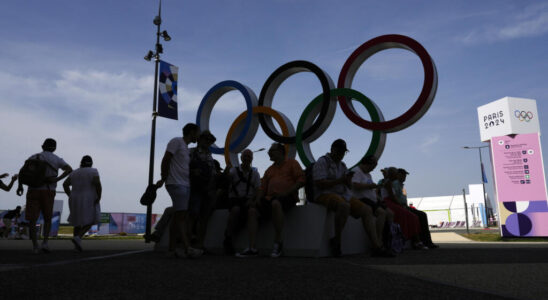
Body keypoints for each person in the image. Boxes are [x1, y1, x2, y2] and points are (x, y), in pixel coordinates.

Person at [313, 140, 391, 257]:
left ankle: (376, 246)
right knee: (344, 205)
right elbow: (319, 183)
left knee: (367, 210)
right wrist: (341, 181)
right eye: (340, 151)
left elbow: (349, 185)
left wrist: (348, 181)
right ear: (332, 149)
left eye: (343, 152)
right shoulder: (322, 161)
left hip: (342, 195)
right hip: (325, 193)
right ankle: (337, 241)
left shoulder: (343, 165)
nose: (342, 154)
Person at [236, 143, 304, 258]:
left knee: (276, 203)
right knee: (252, 211)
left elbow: (301, 180)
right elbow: (262, 188)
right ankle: (252, 248)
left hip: (287, 197)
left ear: (281, 152)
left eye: (271, 151)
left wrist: (287, 192)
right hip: (270, 198)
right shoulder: (269, 170)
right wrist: (257, 200)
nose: (269, 153)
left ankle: (278, 243)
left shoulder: (292, 163)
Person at [16, 138, 72, 254]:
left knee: (32, 219)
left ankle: (35, 246)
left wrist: (20, 186)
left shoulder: (33, 157)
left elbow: (22, 173)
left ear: (42, 146)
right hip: (48, 190)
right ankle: (45, 243)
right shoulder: (56, 159)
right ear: (54, 148)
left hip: (33, 190)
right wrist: (57, 179)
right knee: (47, 218)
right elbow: (69, 169)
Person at [156, 123, 202, 258]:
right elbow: (166, 159)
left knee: (177, 217)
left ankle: (171, 249)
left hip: (184, 184)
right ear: (192, 132)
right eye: (197, 133)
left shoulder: (186, 149)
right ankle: (188, 248)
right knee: (181, 216)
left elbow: (179, 164)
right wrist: (163, 177)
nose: (198, 136)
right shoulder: (176, 141)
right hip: (176, 184)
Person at [351, 155, 394, 250]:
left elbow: (370, 189)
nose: (373, 169)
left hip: (372, 199)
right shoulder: (356, 171)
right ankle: (378, 241)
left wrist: (377, 196)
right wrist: (370, 186)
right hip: (362, 198)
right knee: (382, 213)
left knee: (390, 213)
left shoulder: (368, 174)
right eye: (372, 167)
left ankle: (387, 241)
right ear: (367, 164)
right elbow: (354, 185)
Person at [223, 149, 261, 255]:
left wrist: (254, 200)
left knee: (252, 212)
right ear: (241, 158)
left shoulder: (255, 174)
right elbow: (227, 178)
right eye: (245, 156)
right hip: (234, 199)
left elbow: (258, 190)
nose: (247, 158)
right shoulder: (234, 171)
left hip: (247, 200)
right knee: (235, 210)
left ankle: (252, 247)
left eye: (249, 156)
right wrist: (226, 172)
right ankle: (228, 238)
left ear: (252, 159)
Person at [380, 167, 426, 250]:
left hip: (391, 203)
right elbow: (392, 196)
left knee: (412, 216)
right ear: (393, 174)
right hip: (389, 203)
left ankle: (416, 240)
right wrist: (400, 205)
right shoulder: (388, 183)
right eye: (396, 173)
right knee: (412, 216)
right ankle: (416, 241)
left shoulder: (390, 182)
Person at [63, 155, 102, 252]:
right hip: (89, 197)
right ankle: (78, 237)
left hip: (74, 197)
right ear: (91, 163)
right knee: (93, 219)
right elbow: (97, 184)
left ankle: (77, 245)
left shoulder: (74, 172)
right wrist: (99, 196)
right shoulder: (93, 171)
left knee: (76, 221)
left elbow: (65, 184)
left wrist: (70, 194)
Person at [188, 130, 217, 250]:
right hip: (194, 188)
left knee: (204, 218)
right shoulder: (191, 152)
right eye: (206, 139)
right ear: (199, 139)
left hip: (207, 189)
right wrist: (192, 172)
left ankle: (200, 244)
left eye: (209, 140)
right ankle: (188, 243)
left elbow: (213, 173)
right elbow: (183, 167)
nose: (208, 141)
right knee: (193, 214)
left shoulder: (210, 156)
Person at [397, 168, 438, 249]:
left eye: (405, 175)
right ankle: (422, 241)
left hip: (404, 206)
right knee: (420, 215)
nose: (404, 177)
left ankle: (426, 241)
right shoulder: (396, 184)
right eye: (403, 175)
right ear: (398, 175)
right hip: (401, 206)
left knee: (422, 215)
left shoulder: (401, 186)